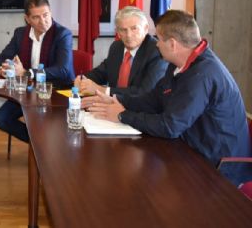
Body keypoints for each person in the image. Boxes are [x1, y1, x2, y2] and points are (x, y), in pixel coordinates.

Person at [84, 10, 251, 186]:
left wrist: (122, 115)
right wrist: (118, 101)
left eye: (159, 39)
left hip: (218, 168)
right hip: (192, 149)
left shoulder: (202, 75)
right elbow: (155, 99)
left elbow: (170, 126)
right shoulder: (178, 64)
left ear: (172, 44)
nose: (156, 44)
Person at [0, 0, 75, 143]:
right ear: (27, 19)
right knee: (1, 119)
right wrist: (5, 69)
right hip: (28, 91)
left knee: (47, 123)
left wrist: (26, 72)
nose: (43, 21)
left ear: (51, 12)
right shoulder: (20, 34)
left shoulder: (62, 34)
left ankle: (45, 145)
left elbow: (63, 70)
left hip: (56, 91)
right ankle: (39, 144)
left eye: (46, 15)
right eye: (36, 17)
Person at [74, 6, 167, 97]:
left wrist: (102, 90)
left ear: (146, 28)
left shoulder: (156, 51)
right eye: (123, 30)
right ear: (117, 32)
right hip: (112, 106)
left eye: (134, 28)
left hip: (141, 109)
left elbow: (145, 92)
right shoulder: (116, 47)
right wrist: (83, 79)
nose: (129, 35)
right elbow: (101, 72)